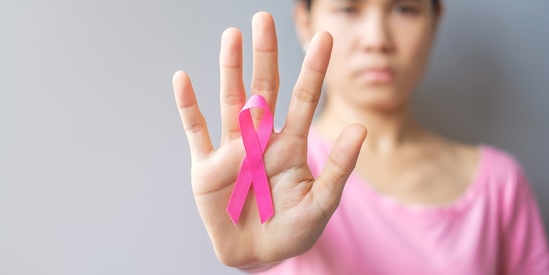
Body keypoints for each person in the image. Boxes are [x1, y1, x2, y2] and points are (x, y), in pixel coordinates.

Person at [172, 0, 549, 273]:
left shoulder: (500, 185)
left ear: (435, 20)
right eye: (349, 8)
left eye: (405, 9)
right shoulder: (266, 180)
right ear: (304, 20)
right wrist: (257, 258)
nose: (377, 40)